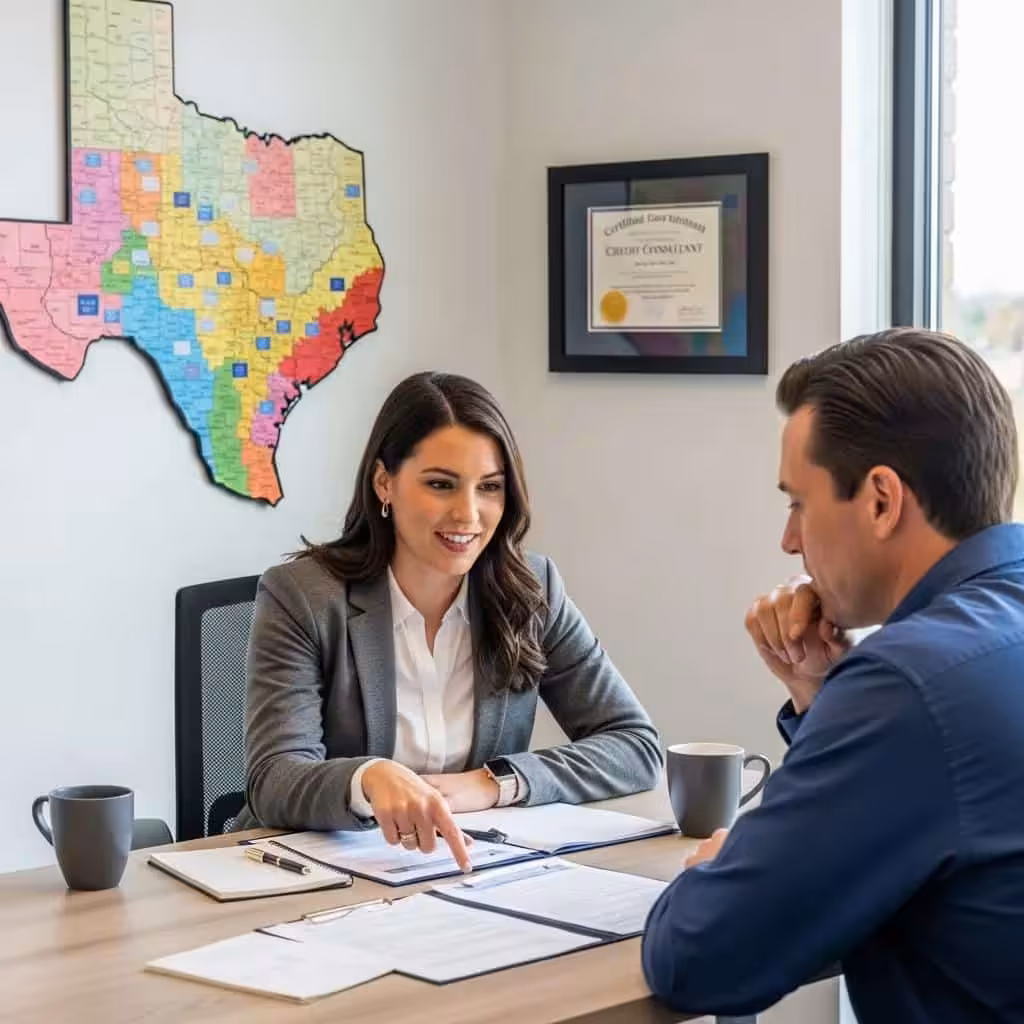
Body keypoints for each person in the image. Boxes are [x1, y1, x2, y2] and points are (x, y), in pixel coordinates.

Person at [642, 328, 1024, 1022]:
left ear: (881, 500)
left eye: (798, 502)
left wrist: (719, 871)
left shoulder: (909, 683)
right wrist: (826, 697)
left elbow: (699, 957)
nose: (789, 540)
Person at [232, 370, 662, 870]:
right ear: (384, 483)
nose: (468, 514)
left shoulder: (532, 590)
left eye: (490, 488)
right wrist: (367, 778)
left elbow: (633, 746)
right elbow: (273, 778)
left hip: (468, 869)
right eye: (441, 484)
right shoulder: (303, 596)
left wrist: (494, 782)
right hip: (317, 877)